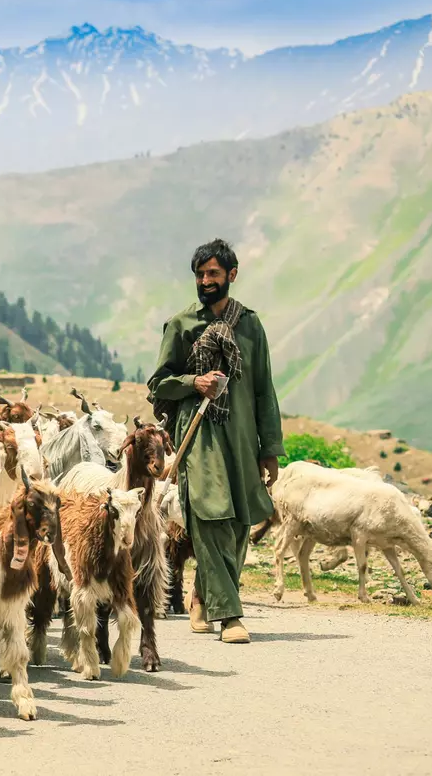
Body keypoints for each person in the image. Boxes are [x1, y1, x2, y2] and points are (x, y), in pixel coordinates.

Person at [147, 239, 283, 644]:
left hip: (241, 437)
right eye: (200, 274)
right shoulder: (182, 325)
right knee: (210, 515)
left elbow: (264, 389)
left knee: (241, 520)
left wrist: (270, 448)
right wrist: (195, 381)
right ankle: (230, 616)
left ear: (231, 275)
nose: (205, 281)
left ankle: (203, 596)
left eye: (213, 273)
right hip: (199, 433)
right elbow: (158, 384)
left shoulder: (250, 325)